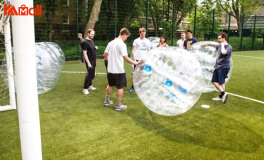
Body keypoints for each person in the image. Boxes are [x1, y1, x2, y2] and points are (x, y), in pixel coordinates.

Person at [103, 28, 143, 111]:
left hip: (110, 70)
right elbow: (125, 57)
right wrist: (135, 63)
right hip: (119, 71)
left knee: (110, 85)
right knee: (120, 87)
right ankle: (118, 105)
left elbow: (105, 55)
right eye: (127, 36)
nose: (126, 38)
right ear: (124, 34)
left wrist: (109, 61)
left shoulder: (111, 43)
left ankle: (106, 101)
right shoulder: (122, 44)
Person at [203, 32, 232, 104]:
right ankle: (223, 93)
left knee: (221, 82)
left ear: (223, 38)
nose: (218, 40)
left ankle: (221, 96)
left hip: (224, 67)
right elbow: (214, 44)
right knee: (214, 81)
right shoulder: (219, 45)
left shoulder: (228, 47)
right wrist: (207, 44)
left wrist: (222, 45)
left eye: (219, 38)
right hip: (218, 66)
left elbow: (224, 52)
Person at [129, 27, 151, 93]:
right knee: (135, 74)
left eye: (144, 34)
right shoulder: (136, 41)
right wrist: (135, 59)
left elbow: (148, 50)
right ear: (139, 33)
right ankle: (132, 87)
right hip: (137, 60)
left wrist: (149, 58)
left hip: (145, 61)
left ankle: (140, 86)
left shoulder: (147, 41)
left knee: (143, 74)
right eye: (142, 34)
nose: (143, 35)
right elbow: (134, 50)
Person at [82, 29, 97, 95]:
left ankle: (90, 85)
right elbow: (84, 53)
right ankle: (85, 88)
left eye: (93, 34)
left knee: (92, 74)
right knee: (90, 74)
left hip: (93, 60)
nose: (93, 35)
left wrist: (95, 48)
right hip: (89, 61)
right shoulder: (85, 42)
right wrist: (88, 63)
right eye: (91, 34)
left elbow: (91, 49)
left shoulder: (91, 41)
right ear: (88, 33)